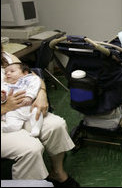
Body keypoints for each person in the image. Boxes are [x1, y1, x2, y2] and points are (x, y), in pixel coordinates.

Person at [1, 44, 80, 186]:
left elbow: (33, 77)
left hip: (23, 108)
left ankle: (57, 173)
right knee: (31, 149)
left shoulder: (7, 57)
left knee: (56, 125)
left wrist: (41, 93)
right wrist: (5, 107)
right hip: (5, 118)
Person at [2, 62, 43, 137]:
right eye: (5, 73)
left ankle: (36, 128)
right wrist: (3, 97)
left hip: (30, 106)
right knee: (10, 115)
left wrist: (29, 96)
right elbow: (4, 98)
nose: (7, 74)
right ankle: (13, 126)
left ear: (25, 73)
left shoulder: (30, 79)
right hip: (15, 110)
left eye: (12, 71)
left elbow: (34, 85)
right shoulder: (6, 85)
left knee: (36, 111)